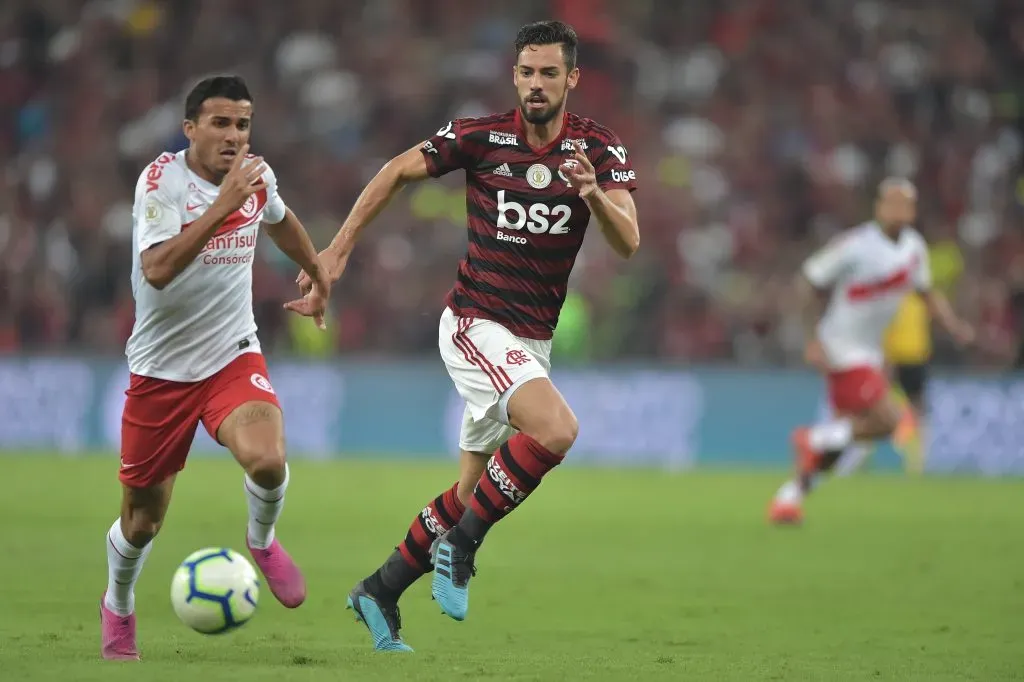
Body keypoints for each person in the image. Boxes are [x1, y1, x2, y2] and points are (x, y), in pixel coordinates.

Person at [296, 20, 639, 651]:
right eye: (527, 72)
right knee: (557, 430)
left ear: (572, 79)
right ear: (515, 75)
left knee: (470, 493)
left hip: (530, 342)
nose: (537, 84)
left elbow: (628, 241)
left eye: (549, 73)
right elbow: (399, 170)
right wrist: (337, 252)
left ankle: (380, 588)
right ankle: (462, 548)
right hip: (476, 325)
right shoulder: (481, 137)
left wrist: (594, 195)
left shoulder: (599, 149)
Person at [100, 75, 332, 660]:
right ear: (191, 129)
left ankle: (261, 541)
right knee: (142, 523)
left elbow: (278, 218)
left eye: (243, 124)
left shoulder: (256, 175)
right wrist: (223, 205)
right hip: (161, 371)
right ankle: (119, 605)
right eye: (221, 124)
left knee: (268, 458)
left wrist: (318, 270)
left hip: (231, 353)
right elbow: (156, 269)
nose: (234, 136)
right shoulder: (161, 182)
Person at [768, 178, 974, 525]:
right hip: (842, 348)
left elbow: (926, 294)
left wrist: (953, 326)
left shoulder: (914, 249)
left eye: (903, 204)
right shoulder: (856, 245)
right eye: (890, 203)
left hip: (869, 351)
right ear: (878, 207)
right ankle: (812, 437)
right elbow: (808, 281)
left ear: (912, 210)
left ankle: (788, 500)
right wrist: (813, 339)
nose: (896, 210)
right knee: (890, 420)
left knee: (841, 442)